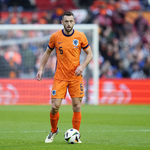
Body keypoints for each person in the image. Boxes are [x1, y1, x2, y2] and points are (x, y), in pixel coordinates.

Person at [36, 11, 93, 143]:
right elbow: (47, 53)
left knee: (76, 106)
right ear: (62, 22)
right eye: (66, 21)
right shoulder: (55, 37)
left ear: (74, 22)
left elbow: (90, 54)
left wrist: (82, 66)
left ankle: (76, 134)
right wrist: (40, 68)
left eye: (71, 21)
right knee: (55, 106)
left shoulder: (80, 36)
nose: (68, 23)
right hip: (60, 77)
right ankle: (54, 130)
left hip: (75, 77)